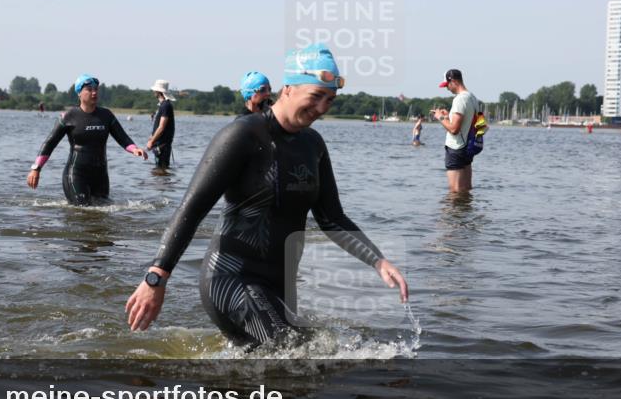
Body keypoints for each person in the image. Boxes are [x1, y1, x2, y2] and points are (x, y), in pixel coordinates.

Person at [125, 44, 409, 347]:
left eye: (330, 99)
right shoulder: (242, 135)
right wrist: (156, 278)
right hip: (231, 280)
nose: (323, 108)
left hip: (280, 285)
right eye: (316, 96)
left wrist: (378, 261)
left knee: (287, 372)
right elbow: (191, 210)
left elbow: (332, 217)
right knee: (299, 356)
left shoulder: (313, 144)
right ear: (287, 89)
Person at [27, 74, 146, 205]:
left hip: (100, 175)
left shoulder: (106, 115)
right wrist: (36, 169)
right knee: (82, 210)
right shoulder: (68, 116)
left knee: (103, 209)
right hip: (76, 174)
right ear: (79, 93)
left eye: (96, 89)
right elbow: (50, 143)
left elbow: (122, 137)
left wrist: (135, 149)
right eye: (89, 89)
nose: (94, 92)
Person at [433, 68, 480, 193]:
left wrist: (440, 117)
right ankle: (465, 212)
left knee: (455, 191)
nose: (447, 88)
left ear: (453, 81)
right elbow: (467, 122)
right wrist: (448, 116)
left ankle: (454, 213)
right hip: (468, 148)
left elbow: (454, 129)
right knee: (466, 189)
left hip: (456, 148)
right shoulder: (472, 97)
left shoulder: (459, 99)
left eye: (447, 85)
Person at [146, 79, 176, 170]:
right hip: (160, 146)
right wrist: (152, 137)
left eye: (155, 90)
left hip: (162, 147)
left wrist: (151, 141)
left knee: (161, 170)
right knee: (160, 173)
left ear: (159, 91)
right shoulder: (163, 105)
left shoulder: (166, 106)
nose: (153, 91)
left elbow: (162, 127)